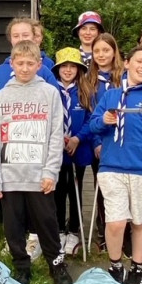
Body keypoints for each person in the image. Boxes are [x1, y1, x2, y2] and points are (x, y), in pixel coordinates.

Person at [0, 40, 73, 284]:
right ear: (12, 64)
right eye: (20, 63)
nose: (25, 68)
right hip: (10, 174)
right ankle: (21, 267)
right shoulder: (2, 96)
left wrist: (50, 172)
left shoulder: (49, 93)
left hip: (39, 176)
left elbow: (56, 135)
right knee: (13, 226)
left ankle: (56, 264)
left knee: (47, 223)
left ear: (39, 64)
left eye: (30, 63)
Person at [90, 45, 142, 284]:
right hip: (111, 167)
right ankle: (115, 266)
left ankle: (137, 267)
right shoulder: (110, 95)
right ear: (126, 63)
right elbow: (93, 126)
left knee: (139, 221)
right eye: (139, 61)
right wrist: (103, 121)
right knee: (115, 222)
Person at [83, 33, 123, 253]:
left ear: (114, 52)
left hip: (126, 141)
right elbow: (90, 113)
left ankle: (124, 232)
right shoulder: (89, 80)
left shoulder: (123, 77)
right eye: (96, 51)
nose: (101, 55)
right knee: (104, 188)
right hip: (100, 141)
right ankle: (105, 228)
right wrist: (97, 141)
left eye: (105, 50)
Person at [52, 47, 93, 256]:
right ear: (57, 69)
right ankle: (59, 228)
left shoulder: (85, 91)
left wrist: (77, 138)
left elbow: (90, 120)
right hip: (57, 149)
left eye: (72, 67)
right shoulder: (51, 90)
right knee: (58, 190)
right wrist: (58, 138)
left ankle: (75, 228)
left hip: (79, 148)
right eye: (64, 66)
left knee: (75, 189)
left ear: (79, 69)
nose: (68, 70)